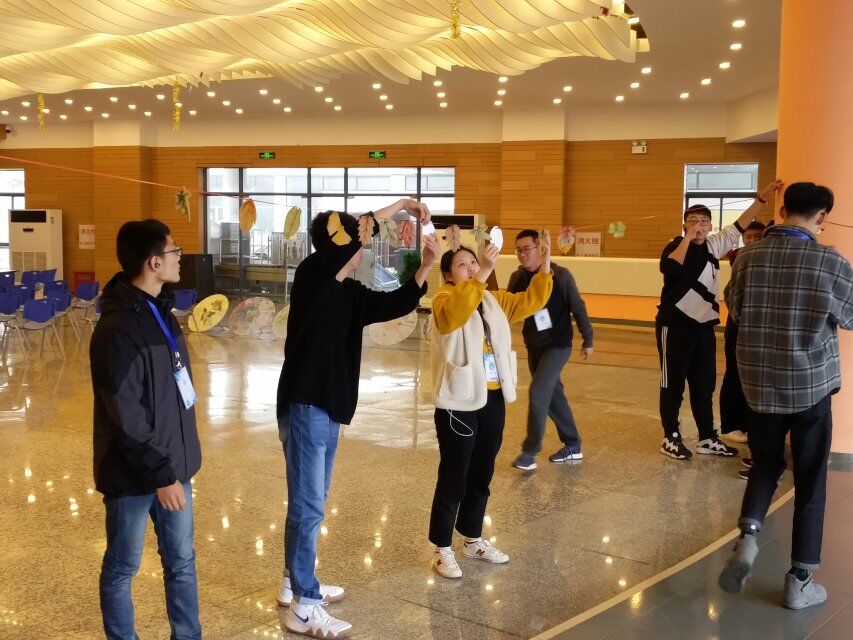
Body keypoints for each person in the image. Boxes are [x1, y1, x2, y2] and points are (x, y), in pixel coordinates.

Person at [276, 200, 439, 639]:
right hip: (307, 405)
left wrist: (426, 265)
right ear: (340, 243)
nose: (365, 243)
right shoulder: (313, 276)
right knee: (309, 506)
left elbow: (397, 302)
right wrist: (402, 206)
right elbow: (358, 230)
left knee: (309, 503)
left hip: (328, 408)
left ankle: (294, 582)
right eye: (358, 237)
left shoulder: (348, 293)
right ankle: (305, 606)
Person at [719, 182, 853, 610]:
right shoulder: (829, 260)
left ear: (781, 209)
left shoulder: (748, 257)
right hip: (810, 388)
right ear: (822, 217)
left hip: (760, 386)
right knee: (810, 478)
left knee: (765, 466)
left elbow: (736, 309)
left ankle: (748, 536)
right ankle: (800, 580)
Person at [91, 220, 202, 640]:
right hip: (135, 474)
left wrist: (176, 468)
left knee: (182, 561)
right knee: (123, 567)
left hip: (173, 466)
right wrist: (161, 475)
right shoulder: (117, 330)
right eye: (174, 251)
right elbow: (126, 414)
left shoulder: (162, 314)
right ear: (154, 262)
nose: (179, 258)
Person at [428, 233, 553, 579]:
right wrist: (483, 272)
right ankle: (441, 548)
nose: (471, 268)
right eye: (463, 265)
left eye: (474, 262)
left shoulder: (492, 299)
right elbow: (455, 314)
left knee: (482, 472)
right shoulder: (443, 298)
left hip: (492, 398)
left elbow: (531, 300)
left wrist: (545, 265)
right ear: (448, 275)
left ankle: (473, 539)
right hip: (458, 401)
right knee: (454, 475)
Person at [656, 181, 782, 460]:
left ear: (711, 225)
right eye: (692, 221)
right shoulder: (675, 245)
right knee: (672, 384)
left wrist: (762, 199)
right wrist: (687, 238)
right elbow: (670, 268)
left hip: (703, 326)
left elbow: (740, 224)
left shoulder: (715, 245)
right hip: (674, 325)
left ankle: (706, 437)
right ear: (685, 225)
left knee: (704, 384)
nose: (698, 225)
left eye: (703, 221)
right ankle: (670, 437)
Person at [507, 229, 593, 470]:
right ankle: (573, 444)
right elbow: (509, 308)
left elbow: (578, 307)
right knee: (553, 396)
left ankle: (529, 452)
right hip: (534, 345)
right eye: (518, 250)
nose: (522, 254)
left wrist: (588, 339)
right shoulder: (517, 277)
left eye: (527, 249)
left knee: (538, 392)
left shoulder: (561, 275)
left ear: (540, 248)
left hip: (558, 345)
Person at [719, 220, 766, 480]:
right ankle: (730, 425)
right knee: (734, 375)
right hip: (738, 326)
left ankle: (745, 425)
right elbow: (731, 294)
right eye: (748, 236)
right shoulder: (740, 256)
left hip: (752, 327)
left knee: (750, 380)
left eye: (757, 237)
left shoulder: (757, 256)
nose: (752, 241)